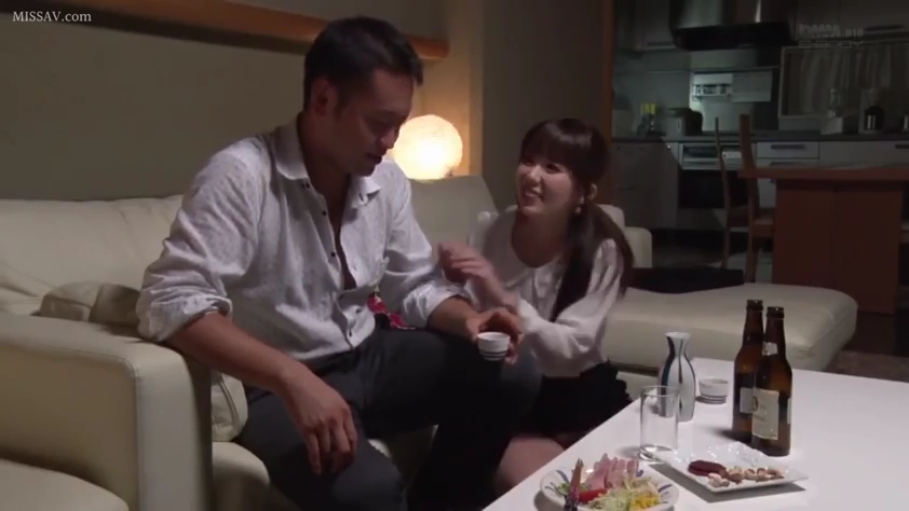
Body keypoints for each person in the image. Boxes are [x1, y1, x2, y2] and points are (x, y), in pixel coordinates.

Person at [136, 15, 540, 511]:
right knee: (370, 489)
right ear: (324, 99)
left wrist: (468, 320)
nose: (390, 141)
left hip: (366, 355)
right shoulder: (241, 175)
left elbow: (413, 283)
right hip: (271, 384)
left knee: (512, 372)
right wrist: (292, 378)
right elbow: (170, 301)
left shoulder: (385, 179)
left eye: (398, 124)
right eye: (379, 123)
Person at [438, 118, 634, 494]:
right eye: (528, 161)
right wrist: (447, 278)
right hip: (512, 399)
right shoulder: (489, 230)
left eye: (552, 167)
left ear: (584, 192)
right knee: (553, 494)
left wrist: (505, 297)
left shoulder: (602, 252)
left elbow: (571, 351)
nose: (531, 175)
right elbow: (463, 315)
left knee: (624, 493)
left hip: (581, 398)